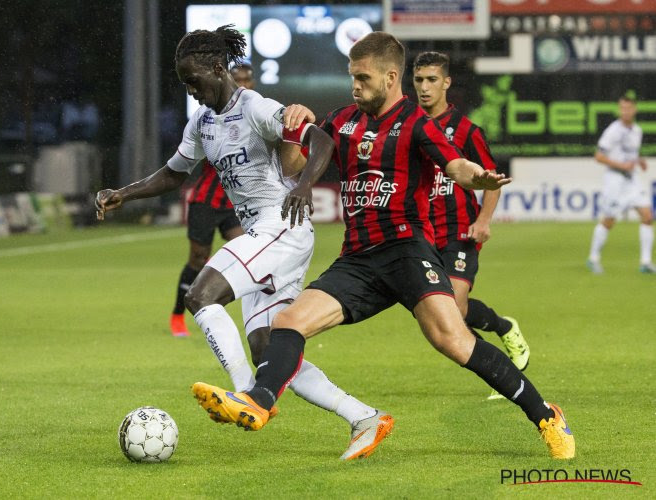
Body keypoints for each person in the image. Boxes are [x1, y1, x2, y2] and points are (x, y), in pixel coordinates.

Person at [192, 32, 575, 460]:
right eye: (352, 77)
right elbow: (293, 164)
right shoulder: (341, 121)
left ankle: (546, 415)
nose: (355, 86)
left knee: (454, 341)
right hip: (357, 258)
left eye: (363, 78)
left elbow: (457, 166)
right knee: (287, 323)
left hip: (406, 251)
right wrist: (291, 128)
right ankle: (258, 402)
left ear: (391, 77)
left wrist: (476, 177)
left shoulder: (417, 123)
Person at [96, 25, 392, 460]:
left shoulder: (254, 107)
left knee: (201, 294)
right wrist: (125, 191)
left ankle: (246, 396)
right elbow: (175, 173)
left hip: (280, 224)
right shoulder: (201, 122)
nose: (191, 90)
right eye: (184, 84)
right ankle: (365, 417)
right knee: (267, 347)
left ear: (218, 68)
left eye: (193, 80)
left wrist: (305, 185)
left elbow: (322, 140)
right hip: (268, 234)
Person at [412, 51, 530, 400]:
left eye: (432, 79)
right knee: (443, 316)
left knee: (455, 306)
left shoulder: (465, 130)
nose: (424, 87)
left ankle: (504, 335)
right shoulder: (410, 125)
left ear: (446, 82)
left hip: (460, 230)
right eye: (418, 80)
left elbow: (492, 179)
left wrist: (483, 220)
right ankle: (502, 330)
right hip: (422, 234)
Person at [170, 63, 256, 338]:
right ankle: (177, 316)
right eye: (238, 79)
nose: (243, 84)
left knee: (249, 252)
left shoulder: (256, 112)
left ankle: (249, 313)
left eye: (247, 80)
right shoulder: (212, 115)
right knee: (197, 258)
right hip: (206, 201)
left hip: (233, 204)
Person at [587, 94, 654, 274]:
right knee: (609, 220)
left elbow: (630, 153)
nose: (625, 111)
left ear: (635, 109)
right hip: (615, 180)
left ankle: (646, 262)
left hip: (632, 180)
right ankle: (593, 258)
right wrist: (621, 165)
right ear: (619, 109)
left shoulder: (637, 130)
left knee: (647, 216)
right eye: (622, 108)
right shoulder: (613, 131)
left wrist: (639, 160)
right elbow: (599, 156)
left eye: (628, 108)